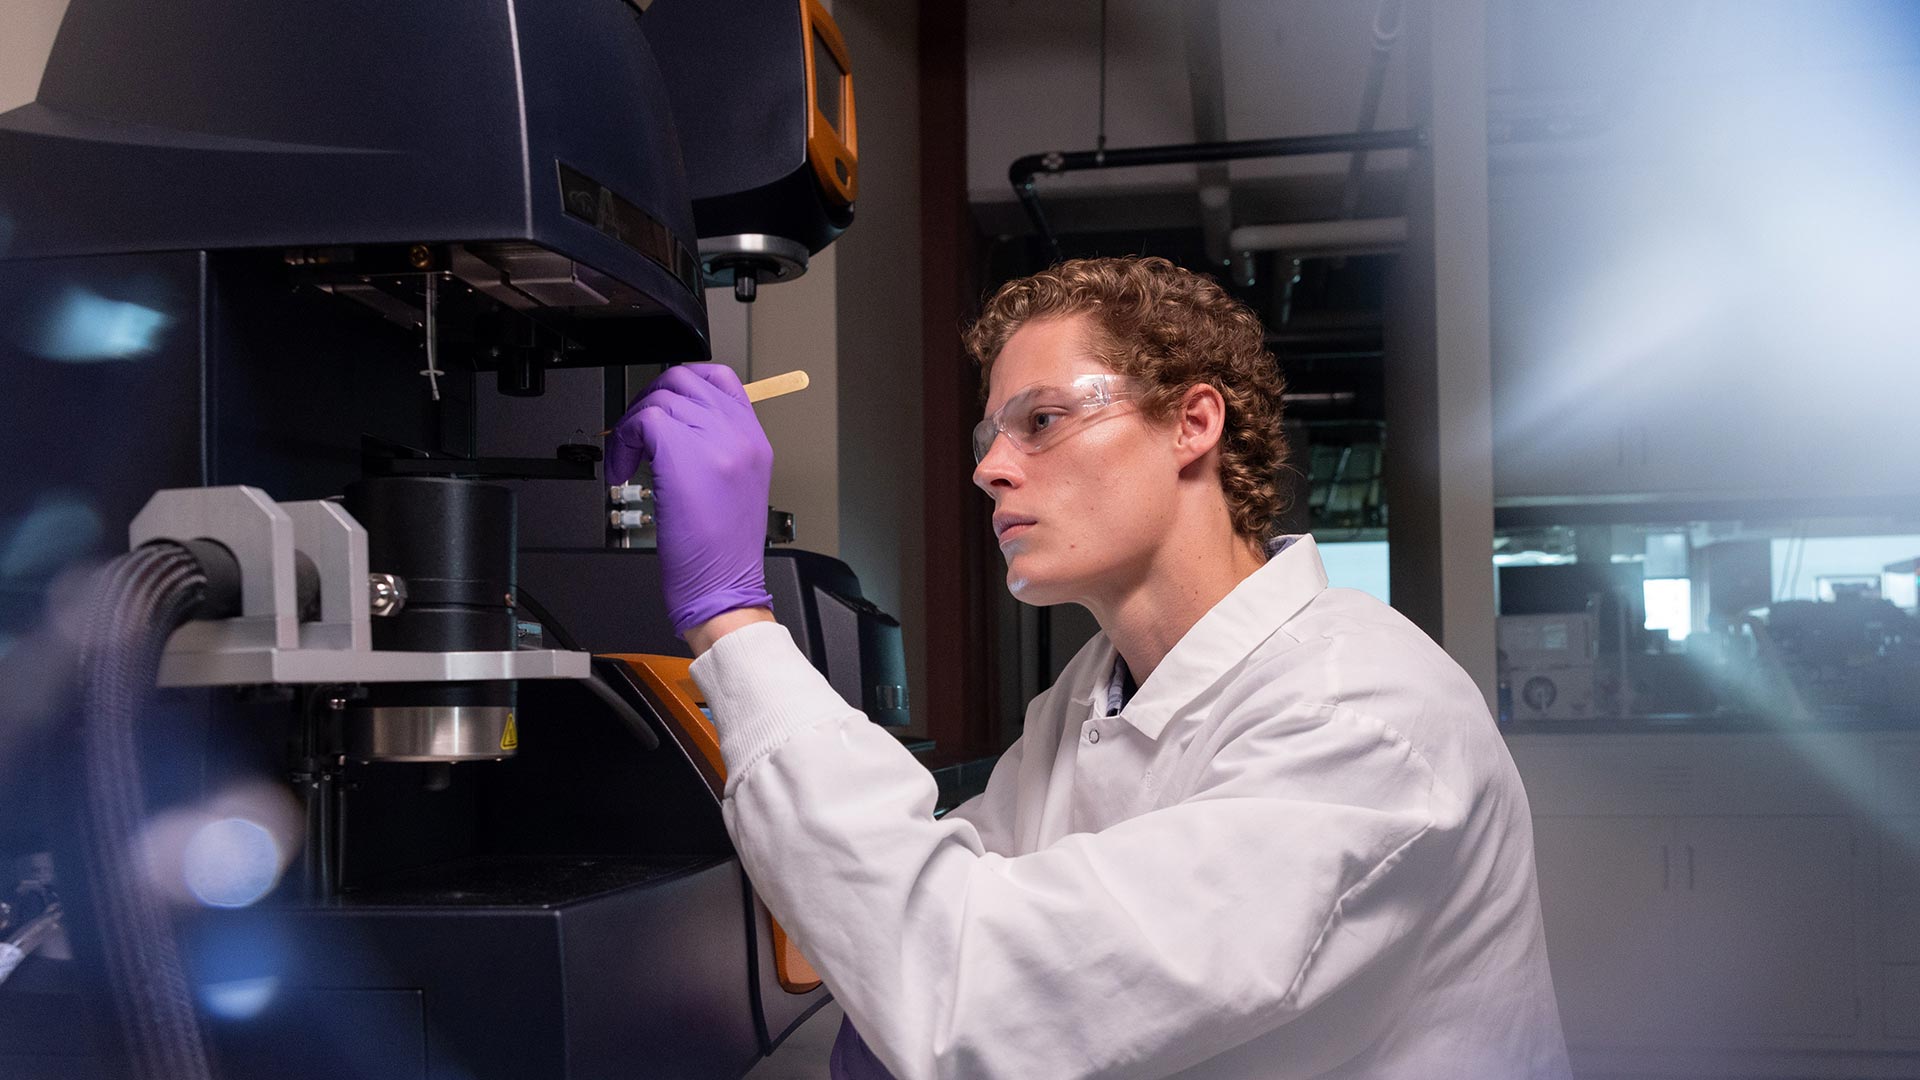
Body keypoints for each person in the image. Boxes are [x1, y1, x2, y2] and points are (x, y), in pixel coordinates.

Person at [605, 256, 1571, 1080]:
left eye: (1043, 420)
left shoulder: (1358, 716)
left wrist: (732, 617)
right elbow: (955, 887)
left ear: (1194, 423)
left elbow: (966, 986)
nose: (990, 468)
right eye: (993, 436)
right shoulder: (1096, 692)